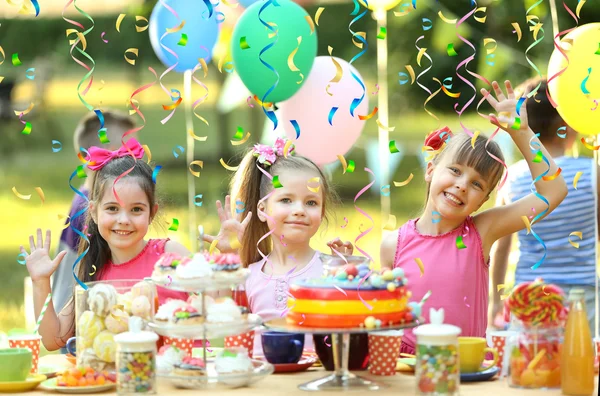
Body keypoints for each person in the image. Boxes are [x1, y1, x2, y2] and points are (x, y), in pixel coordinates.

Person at [377, 80, 567, 355]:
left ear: (485, 199)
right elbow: (384, 318)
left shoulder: (482, 232)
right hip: (407, 369)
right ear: (430, 169)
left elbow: (553, 190)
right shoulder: (392, 245)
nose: (463, 185)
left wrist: (521, 132)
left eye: (477, 184)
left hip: (468, 371)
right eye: (455, 170)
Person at [20, 139, 189, 351]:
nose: (124, 219)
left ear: (152, 213)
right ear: (94, 212)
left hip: (178, 377)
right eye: (112, 208)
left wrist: (228, 254)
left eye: (136, 209)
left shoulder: (170, 256)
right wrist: (40, 282)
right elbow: (53, 339)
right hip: (117, 381)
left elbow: (217, 300)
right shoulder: (94, 270)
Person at [203, 137, 347, 355]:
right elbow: (219, 320)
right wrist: (228, 258)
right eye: (286, 200)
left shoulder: (329, 269)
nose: (299, 210)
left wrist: (347, 273)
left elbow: (351, 322)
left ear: (322, 211)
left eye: (311, 202)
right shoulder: (248, 274)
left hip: (315, 381)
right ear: (262, 209)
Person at [489, 77, 598, 332]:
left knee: (529, 366)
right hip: (585, 297)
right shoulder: (594, 172)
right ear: (566, 124)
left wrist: (495, 302)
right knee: (582, 366)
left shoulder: (512, 177)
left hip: (529, 294)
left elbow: (501, 249)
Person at [53, 110, 136, 314]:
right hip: (79, 324)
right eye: (134, 149)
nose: (137, 157)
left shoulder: (86, 198)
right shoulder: (90, 211)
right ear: (115, 153)